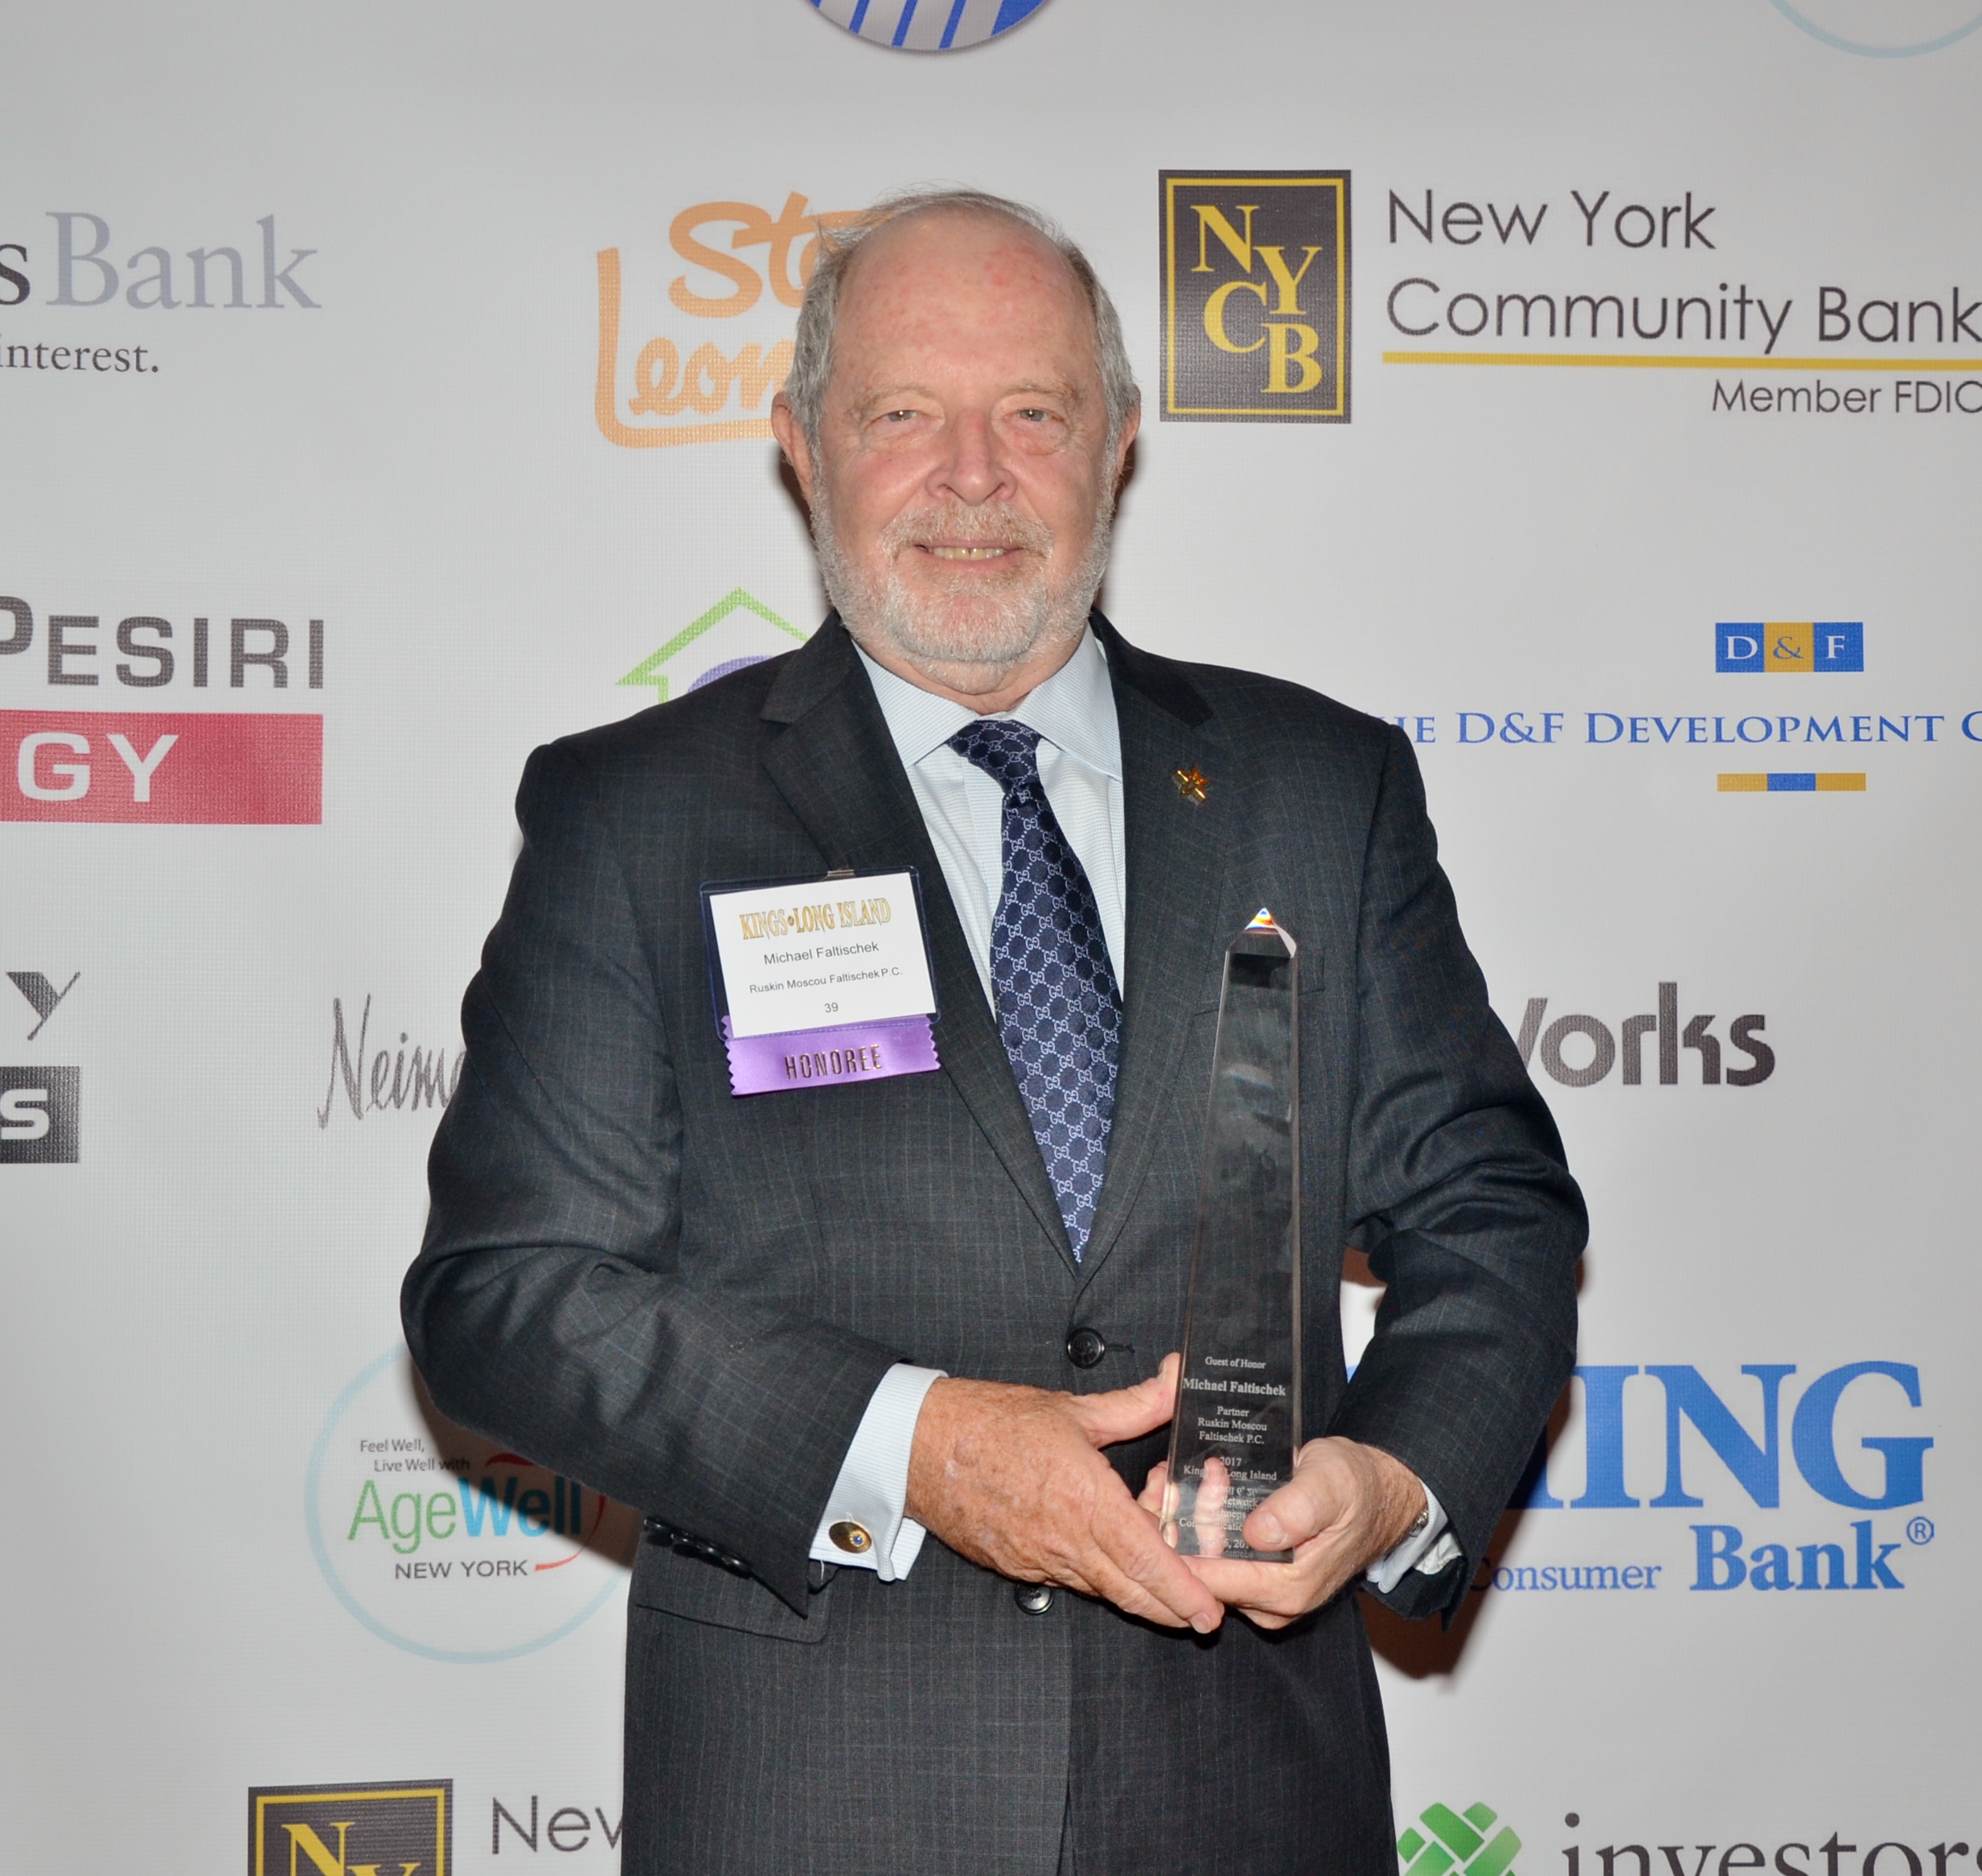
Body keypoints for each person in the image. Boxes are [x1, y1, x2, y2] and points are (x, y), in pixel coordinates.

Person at [403, 187, 1585, 1876]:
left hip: (1247, 1793)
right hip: (819, 1811)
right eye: (903, 415)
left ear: (1117, 445)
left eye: (1034, 412)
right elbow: (508, 1295)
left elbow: (1492, 1207)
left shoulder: (1322, 790)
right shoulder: (637, 817)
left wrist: (1394, 1474)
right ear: (804, 446)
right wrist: (914, 1443)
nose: (973, 475)